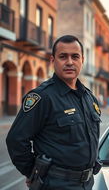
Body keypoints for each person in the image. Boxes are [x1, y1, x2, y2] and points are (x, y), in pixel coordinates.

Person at [6, 35, 102, 190]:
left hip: (86, 184)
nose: (69, 62)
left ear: (82, 60)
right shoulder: (42, 97)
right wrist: (33, 173)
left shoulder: (89, 98)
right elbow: (16, 140)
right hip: (55, 184)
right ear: (52, 61)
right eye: (63, 57)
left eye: (75, 56)